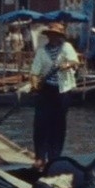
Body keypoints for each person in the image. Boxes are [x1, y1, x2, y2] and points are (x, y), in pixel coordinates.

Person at [29, 22, 78, 169]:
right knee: (40, 123)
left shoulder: (66, 48)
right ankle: (40, 157)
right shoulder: (42, 51)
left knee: (58, 125)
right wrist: (34, 84)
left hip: (62, 90)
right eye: (51, 35)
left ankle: (54, 158)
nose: (53, 38)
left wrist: (66, 65)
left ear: (60, 37)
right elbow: (35, 71)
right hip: (46, 90)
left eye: (55, 35)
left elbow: (75, 61)